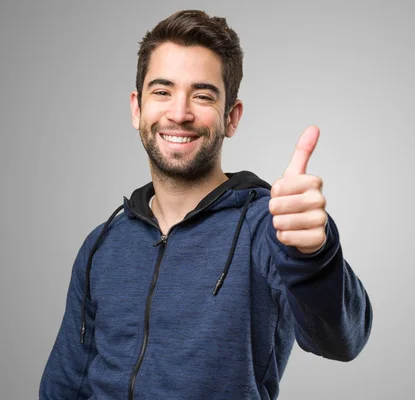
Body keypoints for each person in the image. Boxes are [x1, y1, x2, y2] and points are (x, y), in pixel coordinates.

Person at [39, 9, 372, 400]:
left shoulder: (268, 228)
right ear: (137, 108)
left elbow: (340, 340)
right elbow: (64, 383)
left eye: (202, 95)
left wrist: (315, 254)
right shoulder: (103, 244)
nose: (179, 114)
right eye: (162, 91)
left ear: (231, 117)